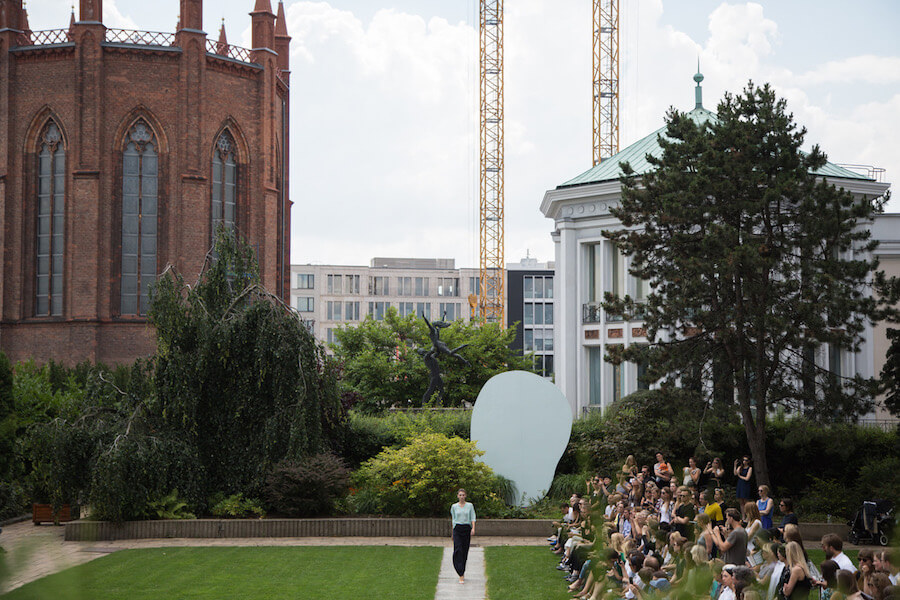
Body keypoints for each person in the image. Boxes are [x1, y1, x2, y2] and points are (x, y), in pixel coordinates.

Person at [450, 488, 476, 584]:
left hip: (466, 529)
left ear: (465, 496)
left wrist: (473, 528)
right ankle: (459, 572)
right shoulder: (454, 507)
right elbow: (453, 519)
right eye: (460, 495)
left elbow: (472, 517)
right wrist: (452, 532)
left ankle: (462, 573)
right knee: (458, 550)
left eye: (463, 495)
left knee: (464, 552)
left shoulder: (470, 506)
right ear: (457, 496)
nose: (461, 497)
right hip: (457, 529)